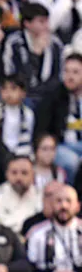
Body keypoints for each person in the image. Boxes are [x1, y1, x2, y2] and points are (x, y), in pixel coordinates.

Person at [3, 3, 64, 106]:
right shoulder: (15, 43)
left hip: (48, 95)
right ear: (27, 23)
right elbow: (14, 75)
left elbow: (58, 76)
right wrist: (35, 54)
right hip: (22, 94)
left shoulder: (55, 44)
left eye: (47, 21)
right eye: (41, 21)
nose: (46, 26)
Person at [35, 53, 82, 182]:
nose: (70, 77)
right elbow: (41, 130)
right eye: (66, 71)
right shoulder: (52, 96)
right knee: (71, 161)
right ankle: (69, 192)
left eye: (75, 72)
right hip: (60, 145)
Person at [0, 155, 44, 231]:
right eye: (14, 173)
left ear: (33, 175)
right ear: (7, 174)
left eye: (24, 173)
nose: (19, 177)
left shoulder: (42, 197)